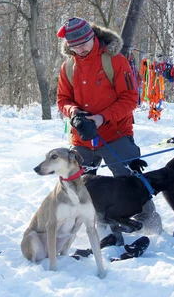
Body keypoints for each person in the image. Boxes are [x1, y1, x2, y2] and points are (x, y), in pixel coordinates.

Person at [56, 17, 162, 234]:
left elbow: (130, 98)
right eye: (73, 46)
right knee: (78, 184)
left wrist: (102, 118)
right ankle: (98, 225)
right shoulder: (68, 67)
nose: (80, 49)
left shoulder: (115, 61)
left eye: (83, 43)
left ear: (92, 37)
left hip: (116, 133)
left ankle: (149, 222)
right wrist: (74, 113)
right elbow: (62, 99)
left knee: (131, 180)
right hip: (83, 137)